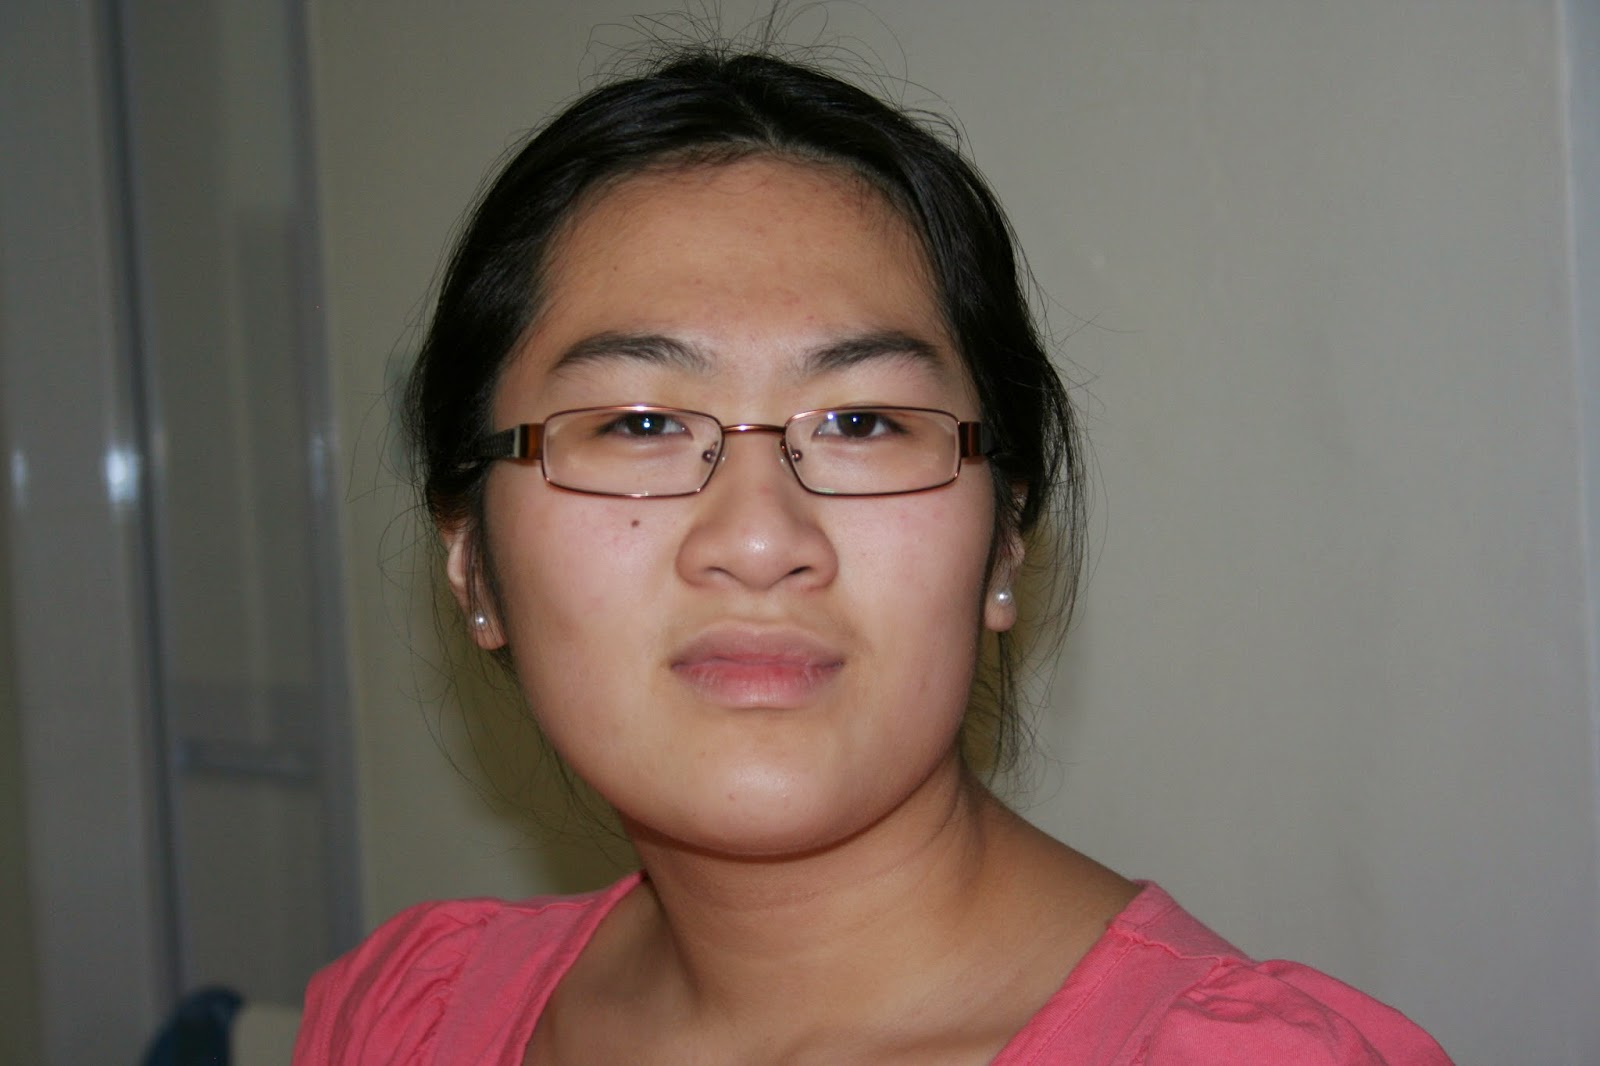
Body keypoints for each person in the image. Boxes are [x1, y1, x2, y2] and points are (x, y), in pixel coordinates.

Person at [293, 45, 1453, 1065]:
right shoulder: (402, 1022)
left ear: (1003, 539)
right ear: (471, 564)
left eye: (863, 422)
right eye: (640, 423)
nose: (760, 539)